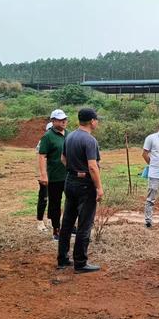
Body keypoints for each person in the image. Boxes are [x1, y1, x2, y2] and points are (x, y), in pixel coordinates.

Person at [58, 108, 104, 273]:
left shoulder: (69, 136)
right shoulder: (90, 140)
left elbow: (63, 158)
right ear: (92, 121)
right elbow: (92, 166)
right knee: (84, 224)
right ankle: (80, 263)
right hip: (85, 185)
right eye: (96, 120)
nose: (97, 122)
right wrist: (98, 187)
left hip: (70, 181)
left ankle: (62, 259)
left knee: (67, 223)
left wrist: (73, 170)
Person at [38, 109, 68, 241]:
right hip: (54, 176)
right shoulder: (48, 137)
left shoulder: (69, 134)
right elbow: (42, 156)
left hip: (68, 175)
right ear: (53, 121)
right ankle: (56, 230)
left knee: (71, 202)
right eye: (60, 119)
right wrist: (44, 175)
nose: (63, 121)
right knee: (55, 203)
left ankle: (69, 226)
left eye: (64, 119)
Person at [35, 121, 53, 231]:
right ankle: (40, 222)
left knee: (54, 199)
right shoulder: (43, 141)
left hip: (55, 174)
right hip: (45, 174)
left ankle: (51, 220)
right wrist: (43, 175)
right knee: (44, 197)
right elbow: (40, 158)